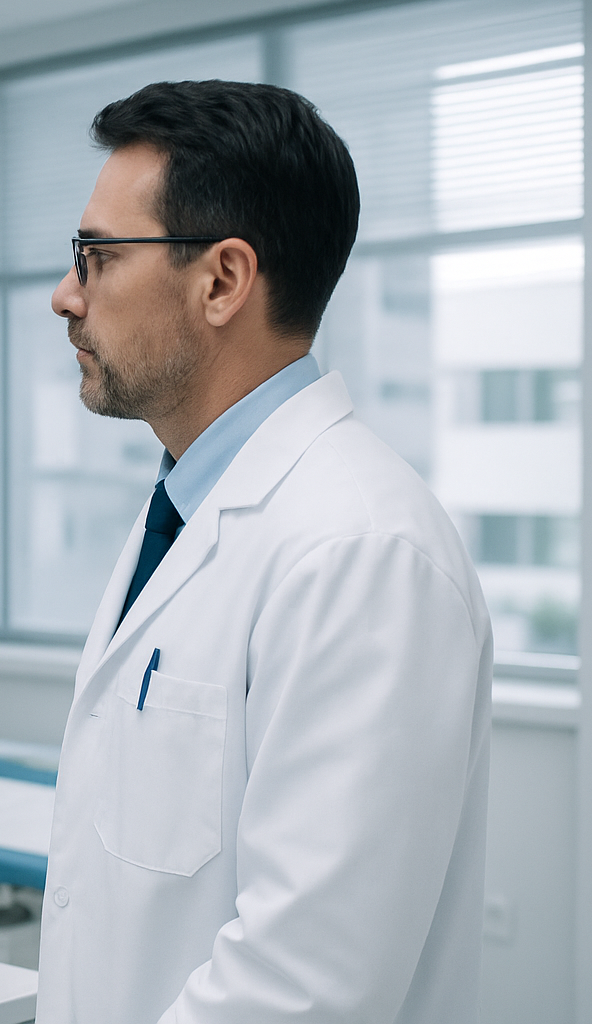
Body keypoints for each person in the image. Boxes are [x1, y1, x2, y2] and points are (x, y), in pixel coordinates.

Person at [38, 80, 492, 1023]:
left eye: (97, 256)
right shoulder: (186, 509)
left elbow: (306, 985)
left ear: (222, 281)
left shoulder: (363, 551)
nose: (65, 295)